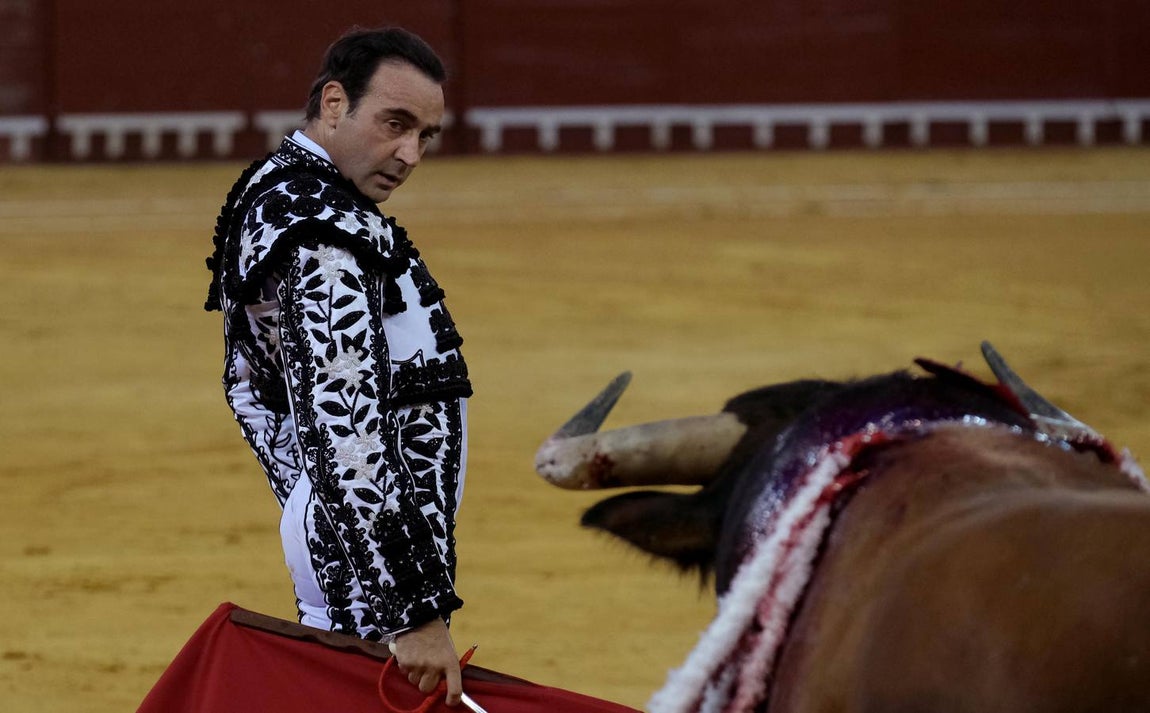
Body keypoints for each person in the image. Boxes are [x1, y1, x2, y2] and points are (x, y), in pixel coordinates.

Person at [204, 27, 471, 706]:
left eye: (426, 136)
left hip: (353, 543)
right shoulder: (319, 230)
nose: (409, 154)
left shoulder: (291, 196)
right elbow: (346, 428)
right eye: (394, 123)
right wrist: (413, 610)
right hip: (373, 567)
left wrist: (308, 502)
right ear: (332, 104)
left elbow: (251, 387)